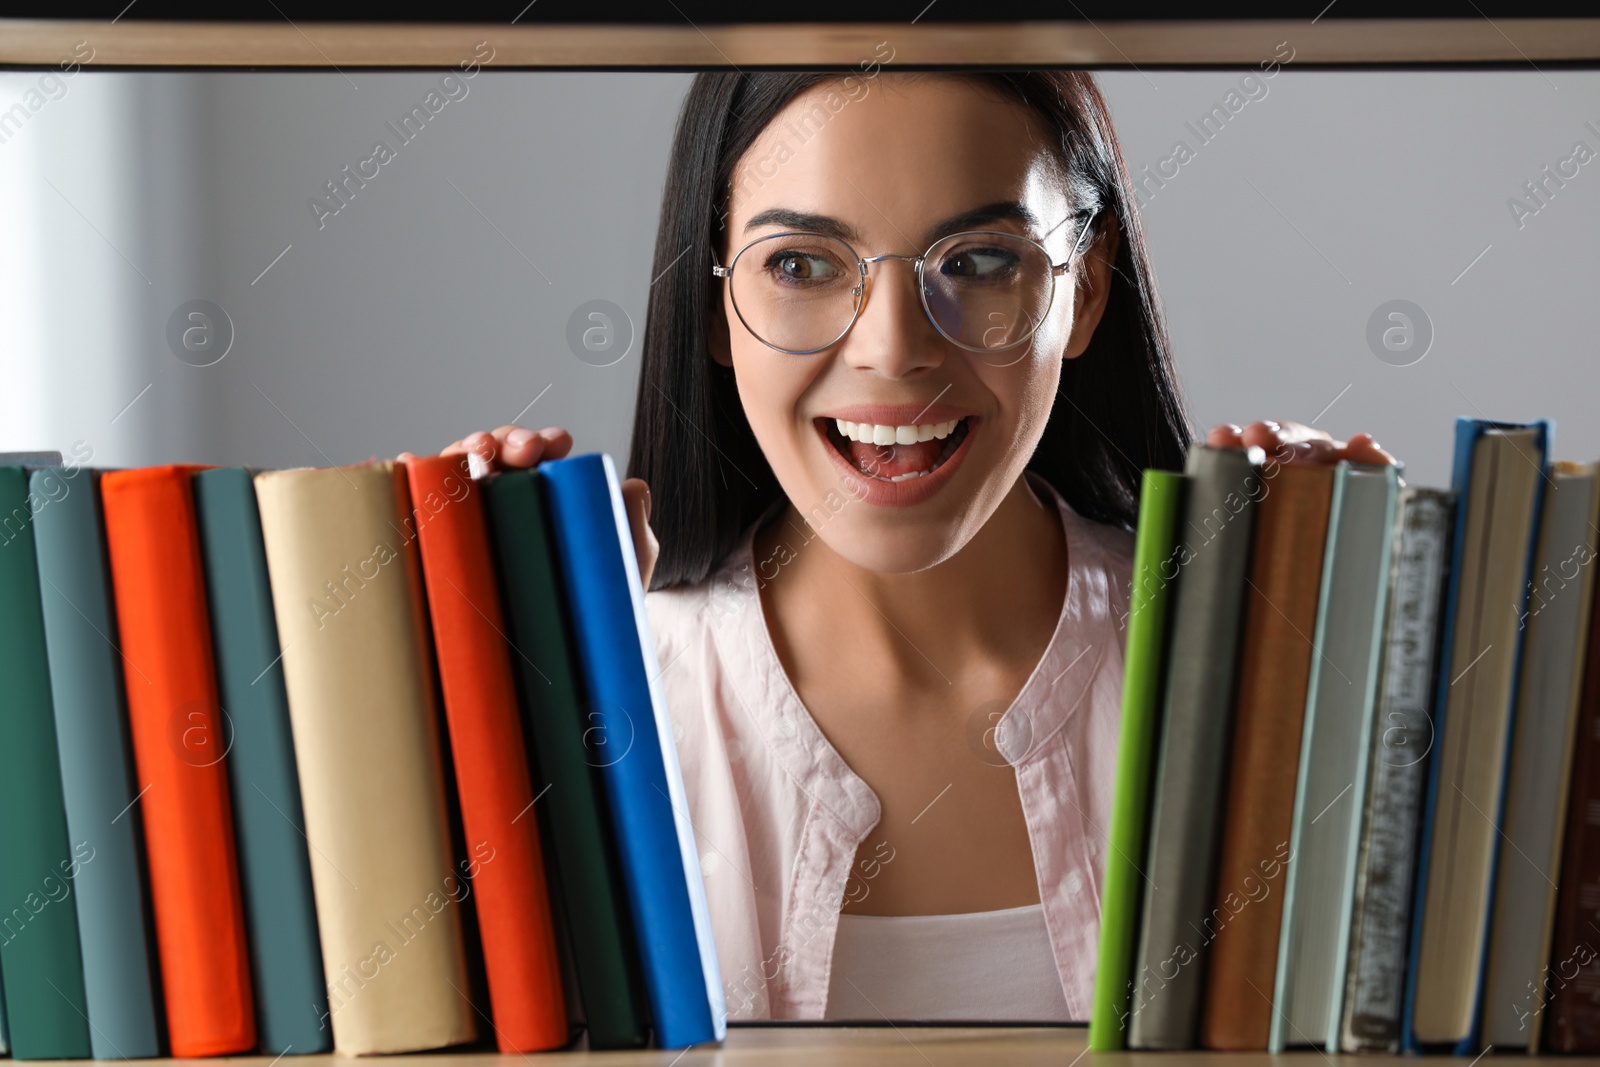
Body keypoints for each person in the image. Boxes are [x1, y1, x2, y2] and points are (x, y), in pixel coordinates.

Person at [413, 70, 1395, 1025]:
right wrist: (458, 710)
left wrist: (1364, 645)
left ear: (1085, 291)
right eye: (799, 263)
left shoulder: (1247, 659)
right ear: (714, 304)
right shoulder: (605, 696)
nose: (892, 348)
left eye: (977, 260)